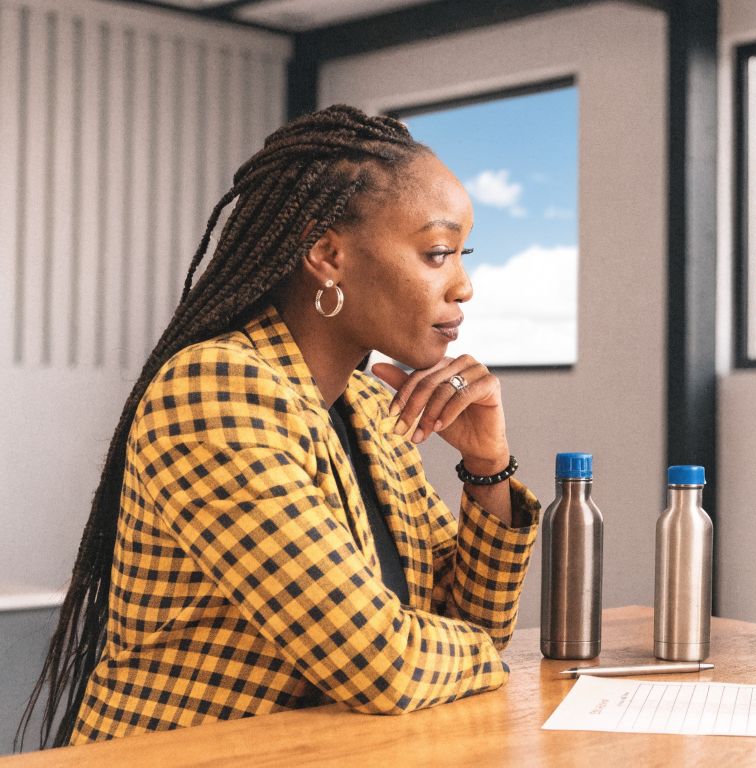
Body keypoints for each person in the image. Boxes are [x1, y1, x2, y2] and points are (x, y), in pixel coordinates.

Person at [19, 105, 540, 748]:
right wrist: (482, 657)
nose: (463, 286)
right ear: (326, 254)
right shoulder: (212, 390)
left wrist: (488, 467)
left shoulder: (370, 407)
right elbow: (386, 664)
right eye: (437, 253)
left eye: (462, 255)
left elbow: (467, 623)